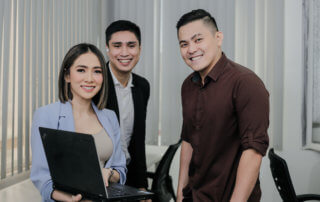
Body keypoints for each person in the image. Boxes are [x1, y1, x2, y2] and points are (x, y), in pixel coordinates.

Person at [176, 9, 269, 202]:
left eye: (198, 40)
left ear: (218, 38)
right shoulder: (188, 85)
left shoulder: (246, 83)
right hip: (194, 196)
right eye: (184, 44)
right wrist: (179, 193)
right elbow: (188, 141)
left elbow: (253, 152)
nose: (191, 49)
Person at [30, 43, 126, 202]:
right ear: (67, 76)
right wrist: (69, 199)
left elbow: (120, 169)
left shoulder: (110, 117)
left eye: (97, 71)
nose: (89, 79)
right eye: (81, 70)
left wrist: (107, 172)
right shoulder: (46, 115)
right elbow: (41, 176)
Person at [104, 20, 150, 193]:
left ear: (139, 48)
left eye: (131, 45)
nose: (124, 52)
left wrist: (141, 186)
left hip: (128, 178)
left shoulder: (142, 86)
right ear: (107, 49)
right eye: (117, 46)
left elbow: (138, 141)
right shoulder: (95, 84)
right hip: (100, 179)